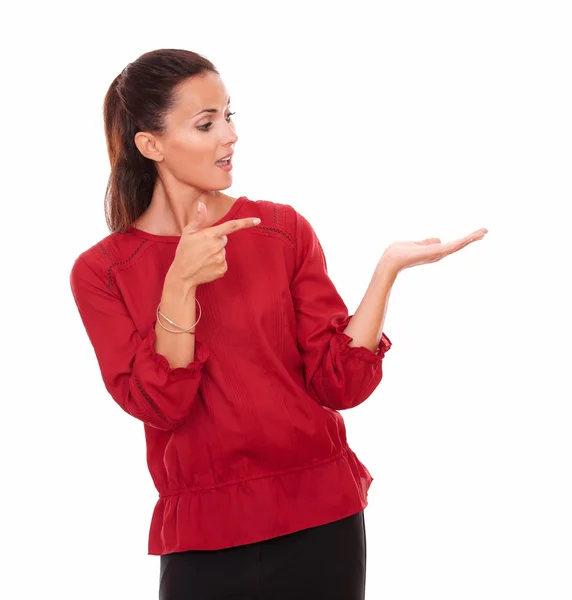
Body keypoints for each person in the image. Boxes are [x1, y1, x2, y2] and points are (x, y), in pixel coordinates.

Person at [69, 48, 488, 600]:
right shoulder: (102, 272)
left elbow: (340, 383)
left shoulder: (280, 229)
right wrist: (180, 283)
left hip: (322, 518)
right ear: (150, 145)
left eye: (228, 115)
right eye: (206, 123)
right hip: (205, 537)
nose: (230, 136)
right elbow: (160, 405)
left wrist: (386, 271)